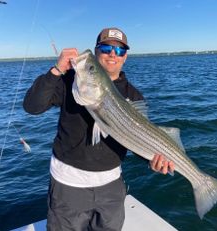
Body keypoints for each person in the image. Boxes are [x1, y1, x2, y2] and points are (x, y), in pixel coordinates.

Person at [23, 27, 175, 231]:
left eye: (119, 51)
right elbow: (32, 106)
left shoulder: (133, 96)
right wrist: (57, 70)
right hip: (68, 186)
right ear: (96, 52)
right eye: (106, 48)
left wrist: (154, 162)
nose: (113, 54)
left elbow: (139, 139)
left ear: (125, 56)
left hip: (111, 188)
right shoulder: (70, 81)